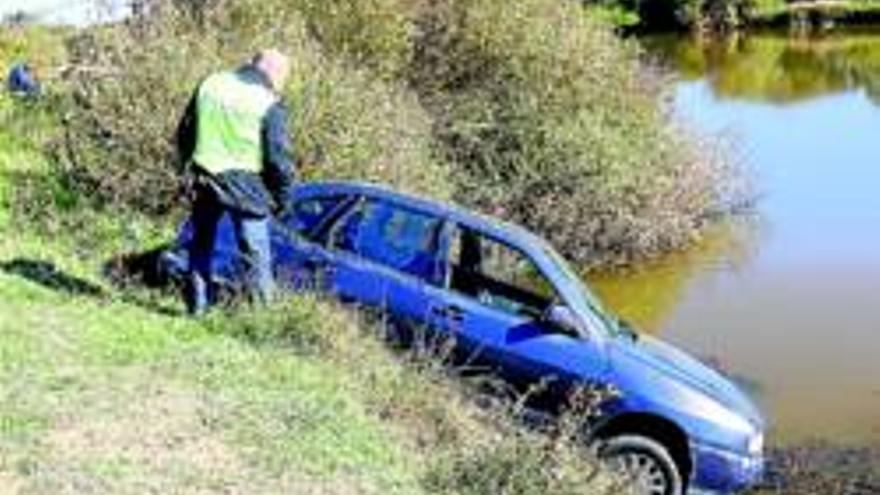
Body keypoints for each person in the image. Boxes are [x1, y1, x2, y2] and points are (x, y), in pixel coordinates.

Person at [176, 49, 295, 315]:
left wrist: (185, 169)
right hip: (246, 185)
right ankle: (261, 319)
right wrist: (283, 198)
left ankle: (197, 308)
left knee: (201, 244)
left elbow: (185, 131)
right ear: (274, 73)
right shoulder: (267, 102)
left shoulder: (211, 83)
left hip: (204, 175)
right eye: (283, 78)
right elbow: (279, 159)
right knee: (256, 256)